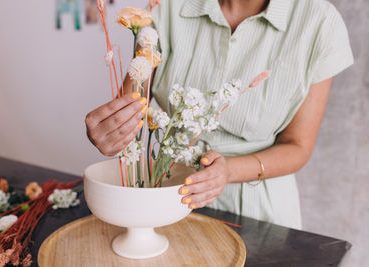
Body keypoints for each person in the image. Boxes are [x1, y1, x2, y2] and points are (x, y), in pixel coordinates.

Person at [85, 0, 353, 229]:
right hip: (165, 196)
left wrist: (227, 172)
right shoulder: (165, 6)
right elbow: (131, 106)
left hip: (259, 217)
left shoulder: (319, 23)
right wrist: (113, 130)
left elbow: (298, 146)